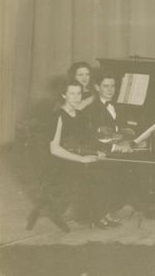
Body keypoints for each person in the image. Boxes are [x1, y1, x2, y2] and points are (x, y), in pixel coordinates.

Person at [48, 81, 120, 229]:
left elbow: (86, 141)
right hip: (61, 161)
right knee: (98, 173)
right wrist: (81, 159)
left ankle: (102, 212)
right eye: (72, 94)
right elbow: (54, 149)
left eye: (79, 93)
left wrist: (97, 152)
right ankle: (96, 215)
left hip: (77, 156)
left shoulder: (80, 114)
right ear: (64, 95)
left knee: (111, 167)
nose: (76, 97)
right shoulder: (58, 116)